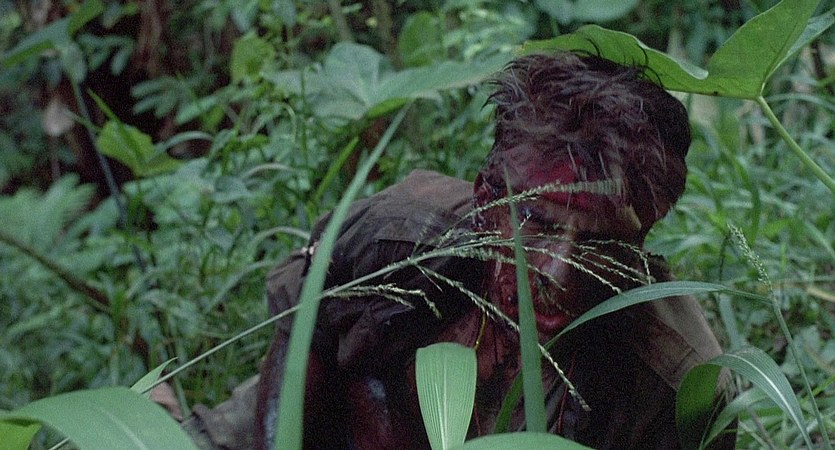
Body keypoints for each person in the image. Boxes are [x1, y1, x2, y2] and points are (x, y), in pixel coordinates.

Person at [183, 52, 735, 449]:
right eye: (536, 222)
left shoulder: (676, 382)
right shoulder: (396, 241)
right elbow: (302, 342)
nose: (557, 271)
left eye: (600, 243)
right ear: (486, 200)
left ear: (643, 236)